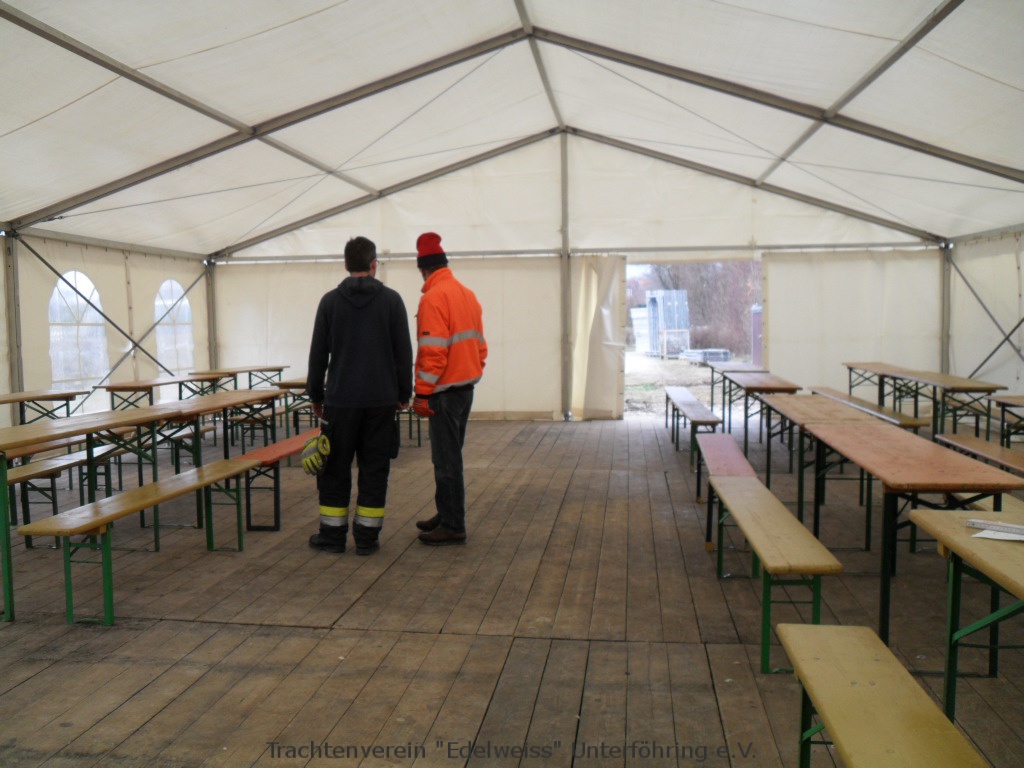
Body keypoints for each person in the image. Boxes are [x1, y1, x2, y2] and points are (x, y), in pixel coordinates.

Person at [305, 236, 413, 555]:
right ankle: (367, 538)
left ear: (345, 264)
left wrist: (316, 396)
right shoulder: (392, 301)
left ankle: (332, 536)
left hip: (340, 402)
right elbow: (403, 353)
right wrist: (403, 393)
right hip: (381, 401)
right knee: (375, 470)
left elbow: (317, 355)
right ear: (373, 264)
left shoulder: (329, 302)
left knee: (334, 470)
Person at [412, 232, 487, 545]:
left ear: (423, 269)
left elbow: (433, 352)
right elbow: (480, 347)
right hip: (465, 389)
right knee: (450, 457)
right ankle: (446, 513)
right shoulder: (467, 294)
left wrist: (422, 393)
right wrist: (471, 370)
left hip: (443, 393)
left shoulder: (433, 298)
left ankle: (453, 524)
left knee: (446, 461)